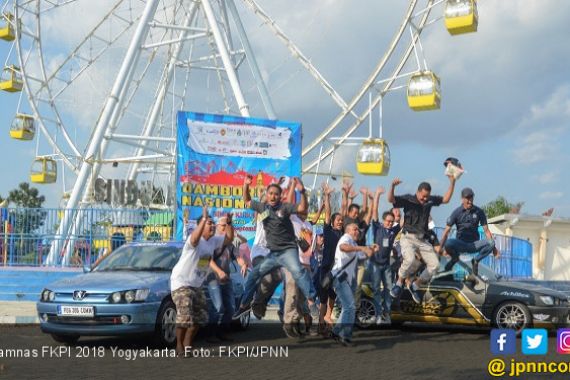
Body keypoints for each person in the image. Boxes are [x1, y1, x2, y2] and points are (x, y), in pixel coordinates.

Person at [233, 175, 317, 322]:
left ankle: (309, 301)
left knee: (287, 275)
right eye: (269, 195)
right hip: (260, 252)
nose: (272, 197)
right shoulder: (263, 211)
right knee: (257, 275)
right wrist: (246, 185)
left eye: (275, 195)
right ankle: (245, 304)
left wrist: (301, 191)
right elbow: (247, 200)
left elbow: (298, 206)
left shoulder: (284, 211)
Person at [170, 206, 233, 357]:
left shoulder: (213, 241)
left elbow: (229, 238)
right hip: (181, 282)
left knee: (201, 318)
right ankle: (179, 346)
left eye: (213, 223)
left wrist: (229, 223)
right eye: (208, 223)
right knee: (185, 317)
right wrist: (203, 218)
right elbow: (195, 237)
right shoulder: (194, 241)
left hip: (196, 285)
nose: (212, 226)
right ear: (201, 226)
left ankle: (187, 344)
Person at [388, 175, 456, 304]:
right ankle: (398, 283)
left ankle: (415, 285)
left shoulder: (429, 200)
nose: (425, 199)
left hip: (422, 239)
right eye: (423, 196)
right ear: (418, 192)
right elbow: (391, 199)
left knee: (435, 265)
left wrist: (452, 182)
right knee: (410, 258)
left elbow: (446, 199)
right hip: (408, 237)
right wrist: (392, 187)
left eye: (427, 197)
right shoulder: (409, 199)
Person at [330, 223, 377, 347]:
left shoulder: (354, 244)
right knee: (350, 306)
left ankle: (336, 332)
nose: (358, 232)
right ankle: (344, 336)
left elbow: (363, 257)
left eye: (358, 230)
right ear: (348, 230)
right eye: (355, 229)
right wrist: (362, 248)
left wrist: (371, 249)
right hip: (340, 277)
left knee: (348, 307)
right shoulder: (346, 238)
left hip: (347, 279)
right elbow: (343, 247)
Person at [439, 187, 499, 275]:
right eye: (467, 199)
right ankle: (454, 258)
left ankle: (475, 261)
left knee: (491, 242)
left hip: (474, 245)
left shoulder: (479, 212)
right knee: (448, 243)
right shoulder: (456, 212)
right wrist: (440, 248)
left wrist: (494, 250)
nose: (470, 201)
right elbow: (446, 231)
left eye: (471, 198)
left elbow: (486, 231)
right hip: (460, 244)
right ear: (462, 199)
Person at [205, 216, 247, 342]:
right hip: (213, 279)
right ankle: (211, 334)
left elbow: (237, 257)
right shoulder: (212, 241)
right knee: (218, 307)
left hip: (226, 279)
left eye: (228, 225)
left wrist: (243, 264)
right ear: (217, 227)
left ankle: (222, 331)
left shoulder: (229, 244)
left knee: (231, 308)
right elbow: (206, 259)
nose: (226, 228)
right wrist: (218, 271)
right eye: (224, 225)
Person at [369, 187, 400, 325]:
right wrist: (377, 195)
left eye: (391, 221)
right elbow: (374, 211)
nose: (389, 223)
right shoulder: (378, 227)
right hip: (376, 263)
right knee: (376, 289)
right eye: (388, 221)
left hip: (387, 264)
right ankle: (378, 313)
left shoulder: (393, 230)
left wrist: (400, 206)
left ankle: (386, 313)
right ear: (383, 220)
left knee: (388, 288)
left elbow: (402, 221)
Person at [316, 183, 343, 336]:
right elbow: (328, 213)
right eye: (338, 220)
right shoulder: (328, 230)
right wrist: (327, 196)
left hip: (337, 270)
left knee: (333, 296)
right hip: (326, 268)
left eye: (341, 220)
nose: (340, 221)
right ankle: (321, 324)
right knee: (323, 298)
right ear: (332, 222)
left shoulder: (344, 234)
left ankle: (327, 319)